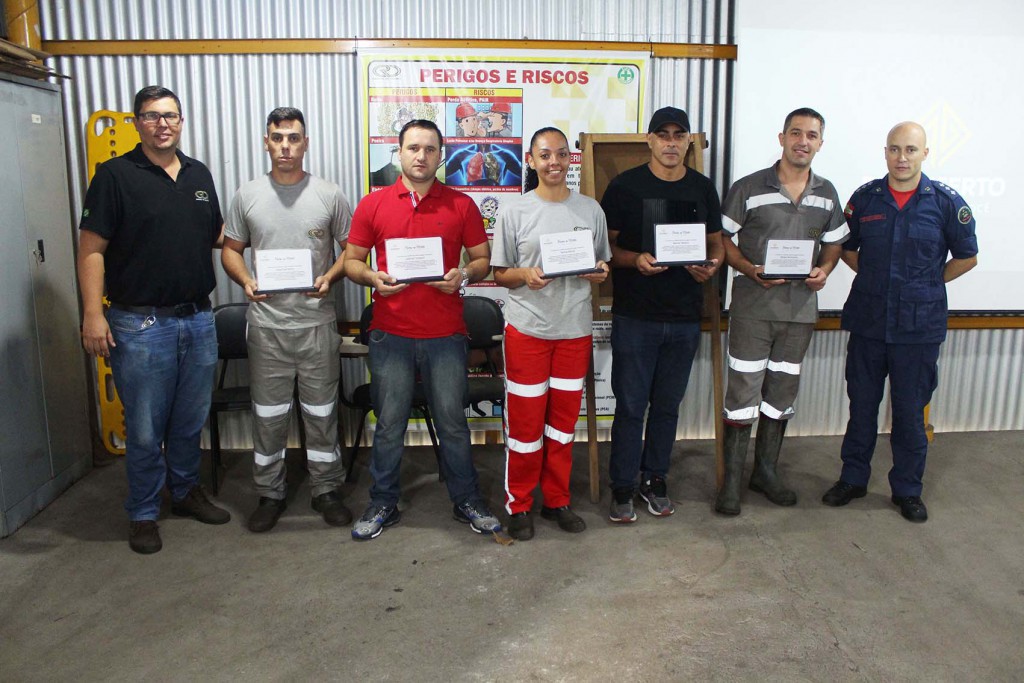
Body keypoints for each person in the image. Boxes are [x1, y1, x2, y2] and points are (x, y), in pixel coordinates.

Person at [77, 85, 230, 554]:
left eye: (170, 116)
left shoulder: (199, 175)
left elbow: (220, 237)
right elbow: (91, 250)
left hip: (198, 321)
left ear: (181, 121)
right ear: (137, 122)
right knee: (144, 428)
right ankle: (143, 511)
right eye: (151, 116)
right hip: (139, 325)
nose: (162, 124)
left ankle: (183, 492)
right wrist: (91, 314)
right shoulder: (115, 176)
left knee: (189, 421)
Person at [342, 119, 502, 541]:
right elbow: (353, 261)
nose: (421, 156)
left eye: (429, 149)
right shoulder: (372, 205)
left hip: (446, 336)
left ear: (440, 155)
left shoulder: (461, 205)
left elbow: (483, 257)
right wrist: (372, 278)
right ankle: (382, 502)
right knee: (390, 423)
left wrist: (464, 274)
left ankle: (466, 498)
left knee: (452, 422)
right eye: (413, 148)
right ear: (399, 153)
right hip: (390, 334)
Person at [822, 122, 978, 523]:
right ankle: (853, 478)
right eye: (894, 149)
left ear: (925, 153)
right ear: (885, 152)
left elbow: (967, 256)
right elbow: (845, 249)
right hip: (870, 322)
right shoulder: (865, 199)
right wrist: (875, 275)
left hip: (918, 329)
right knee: (861, 408)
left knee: (910, 413)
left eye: (910, 149)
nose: (902, 157)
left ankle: (907, 489)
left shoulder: (945, 203)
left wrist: (927, 283)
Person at [221, 107, 353, 533]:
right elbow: (230, 249)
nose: (285, 146)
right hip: (267, 326)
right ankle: (269, 493)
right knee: (269, 414)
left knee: (321, 411)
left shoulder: (329, 195)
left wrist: (329, 277)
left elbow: (353, 251)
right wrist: (245, 280)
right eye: (277, 138)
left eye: (293, 138)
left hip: (316, 324)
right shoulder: (247, 196)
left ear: (306, 143)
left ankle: (326, 489)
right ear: (266, 142)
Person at [715, 107, 849, 516]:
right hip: (753, 310)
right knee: (742, 395)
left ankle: (766, 472)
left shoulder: (827, 192)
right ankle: (732, 482)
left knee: (780, 396)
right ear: (781, 138)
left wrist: (824, 270)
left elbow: (835, 242)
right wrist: (748, 269)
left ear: (820, 143)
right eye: (795, 133)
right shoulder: (749, 187)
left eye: (811, 135)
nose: (802, 141)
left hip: (800, 313)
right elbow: (723, 239)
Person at [602, 106, 724, 523]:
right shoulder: (624, 187)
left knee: (667, 405)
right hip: (635, 317)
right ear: (649, 140)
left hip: (685, 316)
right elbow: (606, 251)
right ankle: (622, 485)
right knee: (631, 405)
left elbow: (716, 243)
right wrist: (636, 259)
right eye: (663, 134)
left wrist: (712, 264)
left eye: (679, 134)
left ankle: (655, 479)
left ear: (689, 141)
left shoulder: (702, 188)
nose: (671, 142)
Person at [490, 127, 611, 540]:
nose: (554, 162)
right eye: (545, 155)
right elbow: (500, 273)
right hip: (527, 330)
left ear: (570, 159)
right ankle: (519, 504)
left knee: (561, 425)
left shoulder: (591, 210)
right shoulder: (514, 212)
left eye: (561, 155)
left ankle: (556, 499)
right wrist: (525, 275)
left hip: (574, 329)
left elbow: (601, 265)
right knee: (525, 428)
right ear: (530, 160)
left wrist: (600, 271)